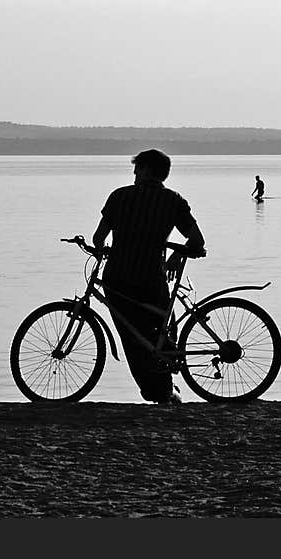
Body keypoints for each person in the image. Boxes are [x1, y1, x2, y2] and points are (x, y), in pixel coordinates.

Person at [91, 149, 205, 404]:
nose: (133, 173)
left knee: (132, 338)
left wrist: (100, 249)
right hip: (152, 278)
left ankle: (157, 392)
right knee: (162, 328)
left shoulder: (119, 197)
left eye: (136, 168)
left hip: (118, 278)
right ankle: (166, 384)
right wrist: (178, 255)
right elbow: (197, 240)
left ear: (145, 170)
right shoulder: (173, 201)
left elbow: (99, 237)